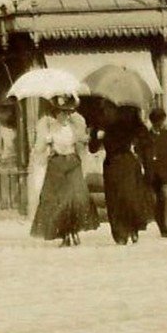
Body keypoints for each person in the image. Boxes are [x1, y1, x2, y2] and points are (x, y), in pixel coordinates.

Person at [29, 95, 95, 246]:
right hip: (57, 166)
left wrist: (84, 140)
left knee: (74, 199)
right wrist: (46, 142)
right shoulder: (50, 128)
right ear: (56, 113)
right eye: (61, 112)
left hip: (72, 165)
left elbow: (82, 145)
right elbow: (39, 149)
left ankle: (74, 231)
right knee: (59, 201)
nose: (64, 115)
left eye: (67, 112)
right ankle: (65, 234)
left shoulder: (74, 128)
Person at [89, 101, 149, 245]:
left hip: (127, 161)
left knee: (129, 197)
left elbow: (144, 136)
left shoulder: (130, 115)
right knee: (113, 199)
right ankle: (119, 233)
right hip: (111, 163)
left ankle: (133, 227)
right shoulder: (101, 120)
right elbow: (93, 148)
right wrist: (97, 136)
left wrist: (135, 140)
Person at [140, 107, 167, 237]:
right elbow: (140, 153)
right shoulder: (145, 137)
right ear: (152, 121)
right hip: (151, 175)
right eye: (157, 121)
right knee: (157, 202)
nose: (159, 123)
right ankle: (163, 228)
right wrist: (142, 167)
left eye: (161, 120)